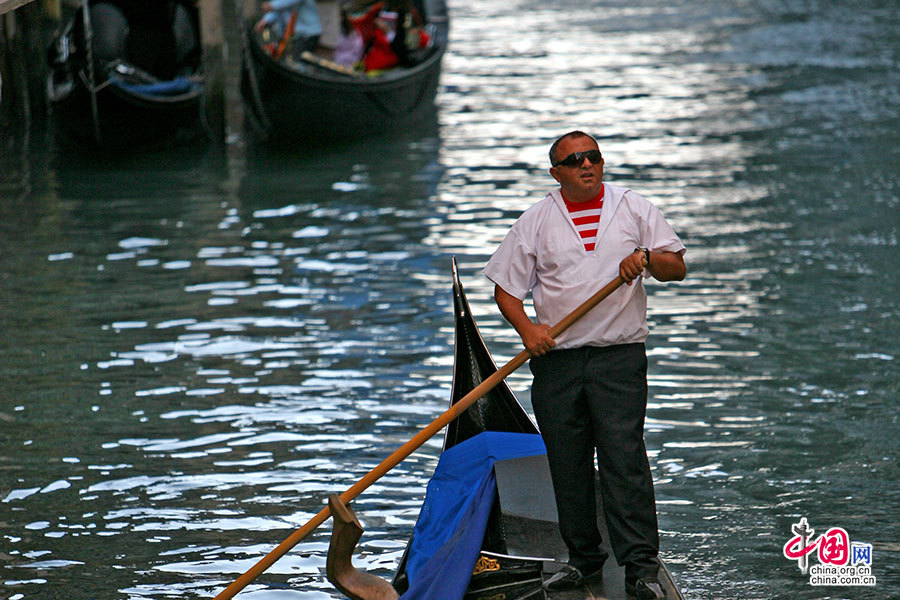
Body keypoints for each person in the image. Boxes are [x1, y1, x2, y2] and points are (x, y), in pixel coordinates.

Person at [483, 131, 686, 600]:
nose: (587, 165)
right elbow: (506, 290)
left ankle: (640, 568)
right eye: (574, 160)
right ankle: (583, 559)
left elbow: (676, 266)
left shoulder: (633, 207)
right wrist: (529, 331)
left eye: (593, 156)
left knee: (623, 458)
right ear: (556, 173)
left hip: (619, 359)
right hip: (557, 361)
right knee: (568, 463)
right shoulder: (536, 221)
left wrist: (647, 259)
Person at [255, 0, 322, 59]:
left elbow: (283, 3)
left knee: (296, 61)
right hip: (292, 36)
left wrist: (272, 5)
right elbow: (277, 10)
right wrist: (265, 21)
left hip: (308, 35)